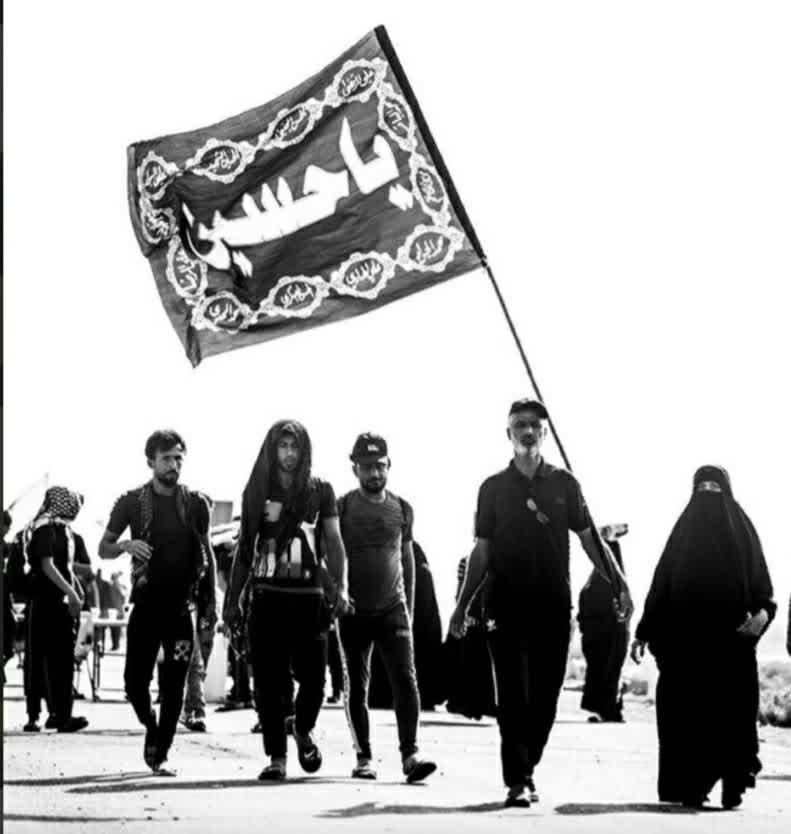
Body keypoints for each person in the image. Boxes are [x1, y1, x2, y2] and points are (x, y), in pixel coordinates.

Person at [449, 398, 631, 808]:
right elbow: (481, 550)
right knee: (513, 695)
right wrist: (462, 606)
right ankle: (518, 779)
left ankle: (527, 765)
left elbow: (590, 539)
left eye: (534, 425)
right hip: (504, 607)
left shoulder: (565, 484)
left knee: (546, 698)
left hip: (553, 608)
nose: (527, 431)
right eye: (520, 425)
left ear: (544, 432)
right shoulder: (492, 488)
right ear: (508, 433)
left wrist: (619, 584)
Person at [631, 465, 776, 810]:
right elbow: (661, 585)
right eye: (702, 487)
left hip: (731, 646)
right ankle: (692, 785)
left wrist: (761, 616)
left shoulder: (743, 534)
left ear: (727, 492)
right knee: (686, 715)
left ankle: (733, 781)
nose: (708, 495)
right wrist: (643, 632)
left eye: (715, 487)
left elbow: (763, 589)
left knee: (733, 714)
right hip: (686, 648)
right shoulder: (682, 535)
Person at [223, 420, 350, 782]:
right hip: (267, 597)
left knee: (315, 680)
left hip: (309, 598)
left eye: (295, 446)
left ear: (304, 450)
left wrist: (341, 587)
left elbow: (334, 540)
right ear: (272, 449)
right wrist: (232, 601)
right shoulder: (257, 490)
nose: (289, 454)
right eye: (283, 446)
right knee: (269, 683)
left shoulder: (320, 490)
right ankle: (276, 757)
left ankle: (302, 727)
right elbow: (245, 549)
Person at [99, 429, 216, 776]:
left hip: (181, 610)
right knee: (134, 684)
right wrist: (126, 545)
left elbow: (207, 553)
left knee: (174, 685)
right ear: (151, 461)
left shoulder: (195, 503)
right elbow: (103, 548)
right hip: (146, 607)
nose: (173, 465)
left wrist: (210, 605)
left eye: (179, 458)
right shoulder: (131, 502)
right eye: (166, 458)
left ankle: (161, 751)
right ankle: (151, 725)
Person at [336, 432, 436, 783]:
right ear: (355, 469)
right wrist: (336, 594)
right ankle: (364, 757)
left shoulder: (403, 509)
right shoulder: (341, 507)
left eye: (380, 466)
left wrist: (408, 606)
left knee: (406, 681)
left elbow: (407, 560)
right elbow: (328, 553)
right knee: (356, 686)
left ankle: (411, 754)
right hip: (353, 612)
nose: (374, 473)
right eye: (367, 467)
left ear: (389, 465)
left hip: (393, 609)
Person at [22, 487, 89, 733]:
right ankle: (36, 715)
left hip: (60, 605)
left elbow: (65, 567)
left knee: (61, 661)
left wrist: (76, 589)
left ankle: (61, 714)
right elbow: (47, 565)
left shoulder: (64, 530)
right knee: (39, 660)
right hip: (44, 601)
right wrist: (70, 592)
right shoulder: (45, 529)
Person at [578, 523, 630, 723]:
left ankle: (608, 708)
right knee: (607, 669)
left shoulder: (596, 584)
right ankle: (608, 708)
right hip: (605, 632)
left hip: (606, 631)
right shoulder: (598, 585)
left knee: (606, 669)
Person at [444, 554, 497, 720]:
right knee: (484, 660)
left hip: (473, 614)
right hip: (486, 615)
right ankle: (486, 703)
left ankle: (468, 704)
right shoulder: (498, 558)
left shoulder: (467, 561)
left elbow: (460, 592)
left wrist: (462, 611)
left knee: (469, 659)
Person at [181, 545, 218, 733]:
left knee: (199, 658)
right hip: (182, 603)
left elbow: (209, 560)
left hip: (200, 603)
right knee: (192, 660)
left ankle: (191, 708)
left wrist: (213, 602)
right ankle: (194, 708)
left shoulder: (200, 536)